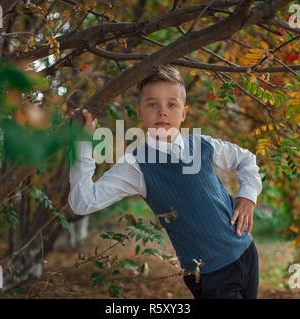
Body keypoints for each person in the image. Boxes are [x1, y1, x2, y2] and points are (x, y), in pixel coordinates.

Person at [68, 64, 262, 299]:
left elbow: (246, 159)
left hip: (246, 252)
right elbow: (82, 202)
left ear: (184, 112)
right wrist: (82, 144)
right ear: (140, 113)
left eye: (172, 104)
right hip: (210, 275)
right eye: (152, 104)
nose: (162, 112)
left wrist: (247, 196)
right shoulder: (136, 165)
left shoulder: (201, 144)